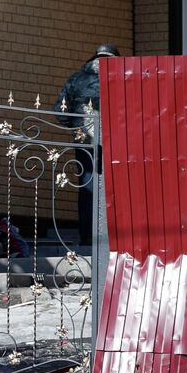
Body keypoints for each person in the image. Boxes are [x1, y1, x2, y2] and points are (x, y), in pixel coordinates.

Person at [55, 44, 118, 245]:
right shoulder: (119, 78)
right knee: (114, 186)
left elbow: (60, 112)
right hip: (113, 140)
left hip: (84, 140)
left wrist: (76, 126)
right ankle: (111, 235)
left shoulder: (76, 79)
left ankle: (87, 235)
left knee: (87, 185)